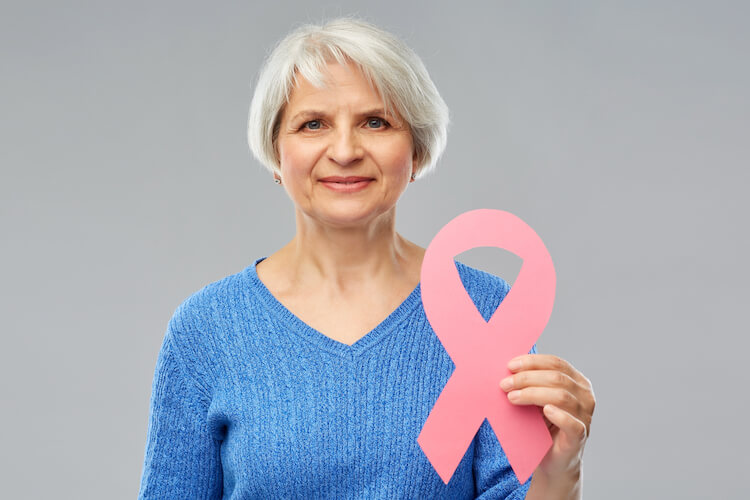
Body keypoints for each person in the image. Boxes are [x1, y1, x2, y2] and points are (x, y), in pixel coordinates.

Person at [138, 17, 595, 499]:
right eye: (313, 124)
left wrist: (561, 471)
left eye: (375, 122)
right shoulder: (207, 328)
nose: (345, 150)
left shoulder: (485, 310)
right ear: (277, 151)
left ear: (415, 149)